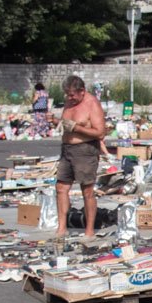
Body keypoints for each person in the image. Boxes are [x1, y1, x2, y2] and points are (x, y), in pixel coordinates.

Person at [53, 74, 106, 239]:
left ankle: (89, 230)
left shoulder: (92, 104)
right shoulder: (70, 102)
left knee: (87, 190)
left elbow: (100, 132)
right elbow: (67, 123)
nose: (69, 98)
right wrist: (57, 123)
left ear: (82, 91)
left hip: (85, 150)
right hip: (67, 149)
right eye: (67, 95)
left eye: (72, 95)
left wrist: (77, 128)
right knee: (61, 188)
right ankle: (61, 228)